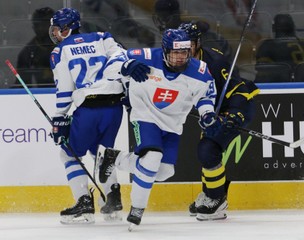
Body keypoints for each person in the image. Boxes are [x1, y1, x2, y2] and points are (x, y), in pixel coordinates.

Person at [96, 28, 225, 230]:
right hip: (144, 116)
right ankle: (137, 210)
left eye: (185, 52)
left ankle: (116, 159)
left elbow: (205, 97)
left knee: (164, 171)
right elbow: (108, 70)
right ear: (165, 51)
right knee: (152, 157)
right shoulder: (145, 57)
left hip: (173, 125)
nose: (181, 58)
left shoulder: (199, 70)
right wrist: (126, 66)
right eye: (176, 53)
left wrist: (207, 113)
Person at [48, 7, 126, 224]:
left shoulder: (60, 50)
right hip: (114, 107)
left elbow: (64, 88)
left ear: (67, 28)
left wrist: (60, 116)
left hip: (89, 108)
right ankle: (113, 200)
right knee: (102, 154)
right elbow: (122, 58)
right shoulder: (103, 37)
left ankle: (83, 203)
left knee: (69, 153)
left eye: (57, 29)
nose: (55, 34)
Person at [178, 22, 259, 220]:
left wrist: (235, 114)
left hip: (233, 107)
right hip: (211, 111)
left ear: (197, 43)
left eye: (188, 44)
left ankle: (216, 199)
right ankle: (209, 194)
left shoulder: (214, 62)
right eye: (179, 44)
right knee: (207, 150)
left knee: (208, 150)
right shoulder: (174, 60)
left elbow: (238, 87)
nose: (183, 49)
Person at [152, 0, 232, 59]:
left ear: (176, 15)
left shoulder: (195, 33)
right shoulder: (163, 35)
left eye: (165, 17)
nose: (161, 21)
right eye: (159, 17)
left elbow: (216, 60)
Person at [255, 13, 304, 82]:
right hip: (300, 82)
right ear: (293, 26)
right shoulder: (302, 43)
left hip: (278, 83)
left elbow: (261, 69)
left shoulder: (268, 45)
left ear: (274, 28)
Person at [15, 7, 55, 88]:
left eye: (44, 24)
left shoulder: (67, 47)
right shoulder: (26, 54)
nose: (41, 28)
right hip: (43, 94)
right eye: (37, 25)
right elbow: (22, 86)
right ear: (34, 27)